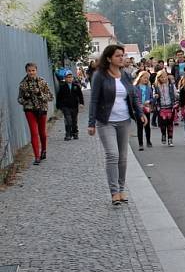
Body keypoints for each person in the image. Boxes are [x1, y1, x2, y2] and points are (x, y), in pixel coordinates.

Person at [88, 44, 147, 205]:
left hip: (124, 120)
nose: (122, 58)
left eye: (123, 55)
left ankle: (121, 190)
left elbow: (133, 96)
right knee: (112, 155)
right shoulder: (100, 75)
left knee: (123, 157)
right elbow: (93, 99)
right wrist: (91, 122)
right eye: (118, 56)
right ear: (109, 58)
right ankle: (114, 192)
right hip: (105, 121)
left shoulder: (126, 75)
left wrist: (140, 113)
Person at [18, 62, 54, 165]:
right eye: (29, 71)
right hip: (29, 110)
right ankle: (36, 157)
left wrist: (41, 95)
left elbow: (51, 97)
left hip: (42, 109)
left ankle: (44, 150)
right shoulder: (23, 84)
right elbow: (19, 99)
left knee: (42, 132)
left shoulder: (42, 82)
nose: (31, 72)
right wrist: (25, 99)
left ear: (36, 71)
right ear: (26, 71)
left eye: (33, 70)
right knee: (34, 132)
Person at [153, 70, 179, 146]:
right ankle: (163, 134)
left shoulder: (171, 84)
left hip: (170, 107)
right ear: (158, 78)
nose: (163, 78)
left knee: (170, 124)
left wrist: (178, 96)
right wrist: (155, 96)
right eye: (161, 77)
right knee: (162, 124)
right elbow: (154, 94)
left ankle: (170, 140)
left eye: (164, 77)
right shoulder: (155, 85)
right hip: (161, 107)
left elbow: (175, 93)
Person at [56, 71, 84, 141]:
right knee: (68, 120)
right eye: (68, 77)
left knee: (74, 120)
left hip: (74, 106)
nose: (69, 79)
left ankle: (75, 133)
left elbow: (80, 95)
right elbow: (59, 97)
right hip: (66, 107)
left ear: (73, 78)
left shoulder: (76, 86)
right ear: (65, 78)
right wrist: (59, 106)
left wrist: (81, 103)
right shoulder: (62, 87)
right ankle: (68, 134)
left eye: (71, 77)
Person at [132, 71, 153, 150]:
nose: (146, 80)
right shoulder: (135, 87)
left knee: (147, 126)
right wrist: (137, 105)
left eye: (147, 78)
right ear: (140, 78)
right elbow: (133, 99)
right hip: (138, 109)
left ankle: (148, 141)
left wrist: (150, 101)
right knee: (140, 126)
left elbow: (152, 98)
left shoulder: (148, 88)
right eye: (144, 78)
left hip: (146, 109)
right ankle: (140, 143)